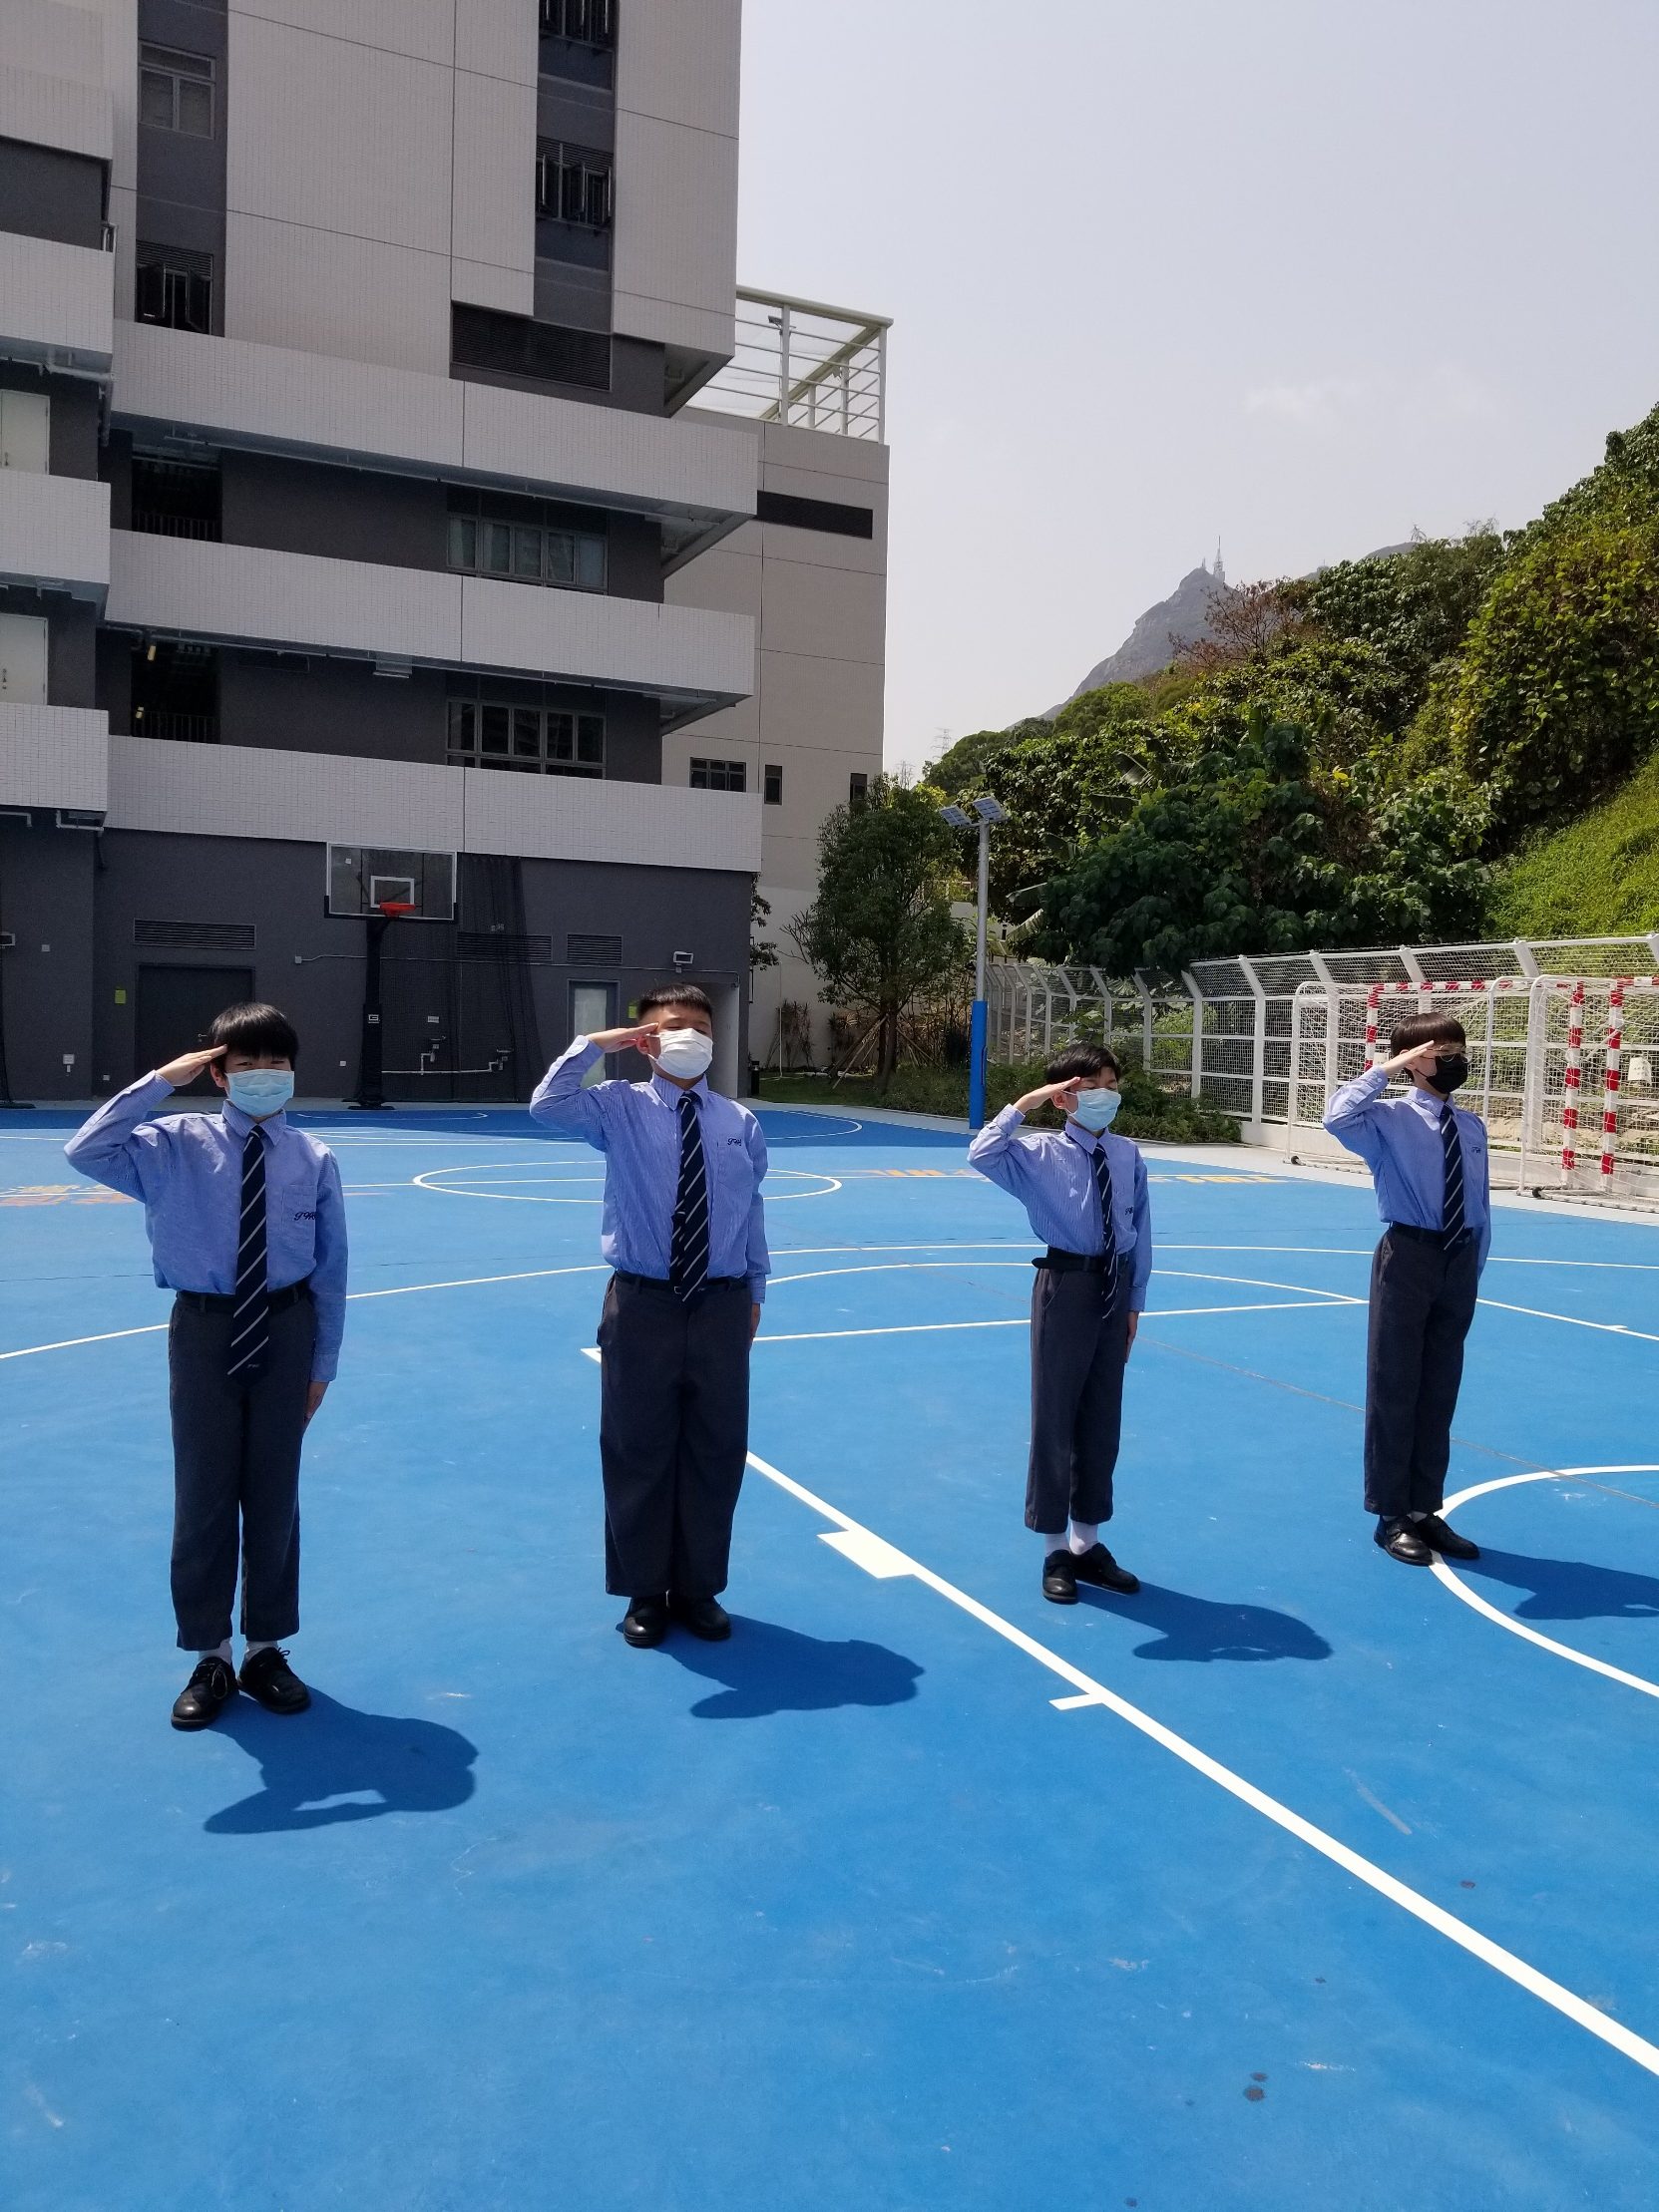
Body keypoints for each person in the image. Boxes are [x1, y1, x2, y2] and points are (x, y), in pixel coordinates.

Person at [64, 1002, 347, 1727]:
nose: (264, 1076)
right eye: (246, 1064)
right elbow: (86, 1150)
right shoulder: (171, 1145)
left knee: (274, 1494)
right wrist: (163, 1078)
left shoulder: (313, 1158)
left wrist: (322, 1364)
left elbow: (331, 1268)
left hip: (285, 1328)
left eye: (277, 1064)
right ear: (218, 1074)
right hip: (205, 1329)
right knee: (204, 1494)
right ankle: (211, 1654)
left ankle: (265, 1649)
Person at [530, 985, 768, 1649]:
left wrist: (755, 1291)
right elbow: (547, 1104)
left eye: (700, 1027)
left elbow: (750, 1210)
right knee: (638, 1446)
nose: (689, 1036)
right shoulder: (618, 1107)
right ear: (646, 1040)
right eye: (671, 1026)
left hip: (721, 1303)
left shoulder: (738, 1122)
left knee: (716, 1448)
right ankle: (643, 1589)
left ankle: (698, 1588)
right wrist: (595, 1044)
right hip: (643, 1302)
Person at [968, 1043, 1152, 1604]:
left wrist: (1135, 1301)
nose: (1106, 1095)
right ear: (1064, 1097)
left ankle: (1086, 1542)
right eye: (1091, 1087)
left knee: (1102, 1417)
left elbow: (1141, 1231)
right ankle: (1054, 1549)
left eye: (1111, 1085)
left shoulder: (1127, 1154)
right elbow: (981, 1152)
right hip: (1065, 1286)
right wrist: (1027, 1102)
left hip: (1113, 1287)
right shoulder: (1037, 1154)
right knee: (1055, 1416)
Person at [1324, 1014, 1489, 1566]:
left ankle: (1424, 1508)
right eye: (1443, 1051)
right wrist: (1386, 1069)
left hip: (1457, 1261)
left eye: (1460, 1049)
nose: (1456, 1060)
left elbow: (1480, 1204)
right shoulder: (1385, 1119)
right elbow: (1336, 1115)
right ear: (1416, 1061)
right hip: (1409, 1255)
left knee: (1440, 1388)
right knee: (1395, 1384)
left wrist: (1472, 1268)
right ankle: (1391, 1513)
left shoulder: (1471, 1126)